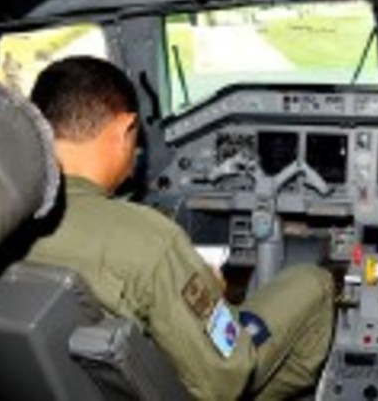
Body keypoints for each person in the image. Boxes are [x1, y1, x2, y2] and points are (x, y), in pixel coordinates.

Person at [25, 55, 335, 400]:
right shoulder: (150, 239)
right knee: (315, 282)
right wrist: (212, 295)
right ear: (126, 128)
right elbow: (226, 376)